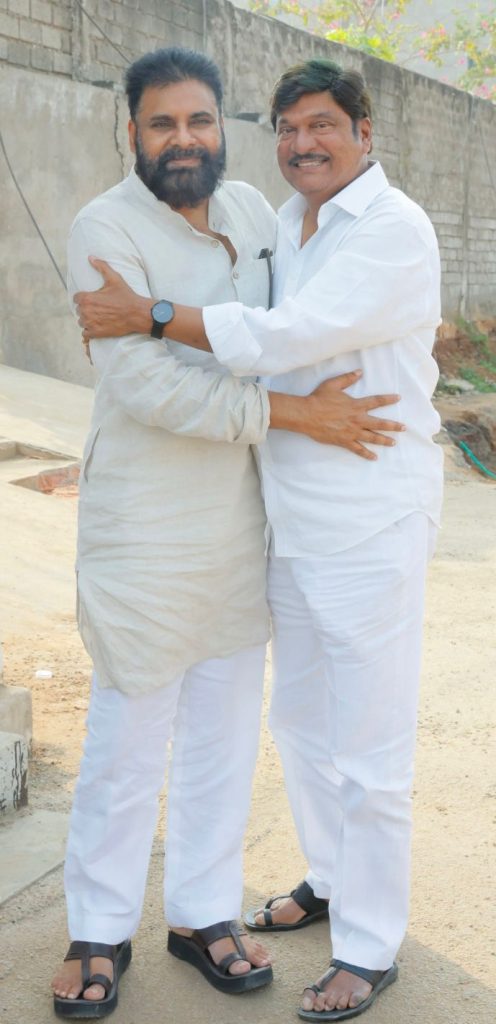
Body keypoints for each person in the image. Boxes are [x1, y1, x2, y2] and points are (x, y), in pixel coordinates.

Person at [77, 58, 443, 1021]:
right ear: (132, 132)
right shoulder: (269, 220)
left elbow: (288, 334)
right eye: (288, 128)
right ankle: (314, 884)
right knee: (284, 728)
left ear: (365, 133)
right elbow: (156, 376)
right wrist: (287, 414)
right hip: (244, 525)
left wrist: (151, 313)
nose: (303, 143)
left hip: (361, 521)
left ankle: (357, 944)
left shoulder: (381, 227)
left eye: (323, 125)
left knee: (351, 749)